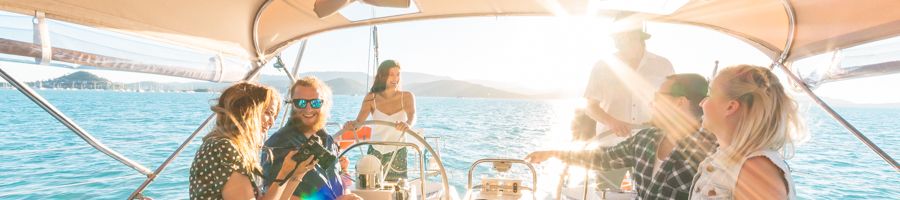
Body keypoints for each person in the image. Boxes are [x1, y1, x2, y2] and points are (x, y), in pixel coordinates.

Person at [526, 74, 716, 199]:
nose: (652, 103)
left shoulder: (713, 150)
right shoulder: (647, 139)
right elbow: (602, 159)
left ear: (680, 102)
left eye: (658, 98)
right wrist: (553, 153)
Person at [582, 21, 675, 189]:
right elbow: (590, 106)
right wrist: (612, 122)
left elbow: (672, 103)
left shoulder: (663, 65)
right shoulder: (603, 66)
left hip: (650, 147)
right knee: (605, 194)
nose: (619, 42)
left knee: (650, 195)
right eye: (617, 38)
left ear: (638, 37)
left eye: (624, 36)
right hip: (611, 146)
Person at [691, 65, 806, 199]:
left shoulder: (756, 170)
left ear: (730, 107)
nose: (701, 103)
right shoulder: (732, 159)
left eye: (709, 94)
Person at [189, 82, 315, 200]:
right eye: (268, 112)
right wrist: (283, 173)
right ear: (245, 110)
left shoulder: (231, 148)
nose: (272, 121)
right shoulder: (223, 148)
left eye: (274, 116)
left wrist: (295, 174)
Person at [261, 77, 362, 200]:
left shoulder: (327, 139)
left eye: (315, 103)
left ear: (324, 104)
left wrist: (344, 177)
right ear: (292, 104)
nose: (308, 109)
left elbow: (333, 182)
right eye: (301, 103)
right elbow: (274, 195)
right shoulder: (277, 144)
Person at [342, 60, 417, 181]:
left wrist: (407, 124)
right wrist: (350, 125)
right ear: (382, 76)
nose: (395, 78)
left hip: (398, 150)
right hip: (375, 150)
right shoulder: (371, 97)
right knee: (371, 186)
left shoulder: (407, 96)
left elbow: (412, 115)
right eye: (391, 74)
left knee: (395, 188)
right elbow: (359, 123)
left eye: (398, 74)